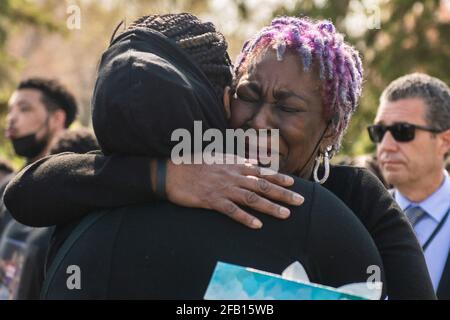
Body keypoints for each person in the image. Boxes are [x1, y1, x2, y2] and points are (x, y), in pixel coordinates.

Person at [5, 15, 435, 299]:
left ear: (330, 130)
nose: (259, 122)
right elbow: (28, 192)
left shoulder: (355, 197)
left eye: (287, 108)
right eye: (248, 96)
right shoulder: (189, 164)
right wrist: (164, 177)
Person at [368, 73, 450, 299]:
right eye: (379, 132)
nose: (385, 146)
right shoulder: (362, 216)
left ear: (444, 141)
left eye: (403, 131)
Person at [0, 78, 78, 299]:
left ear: (57, 119)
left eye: (24, 109)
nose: (11, 119)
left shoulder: (74, 191)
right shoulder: (6, 188)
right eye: (11, 109)